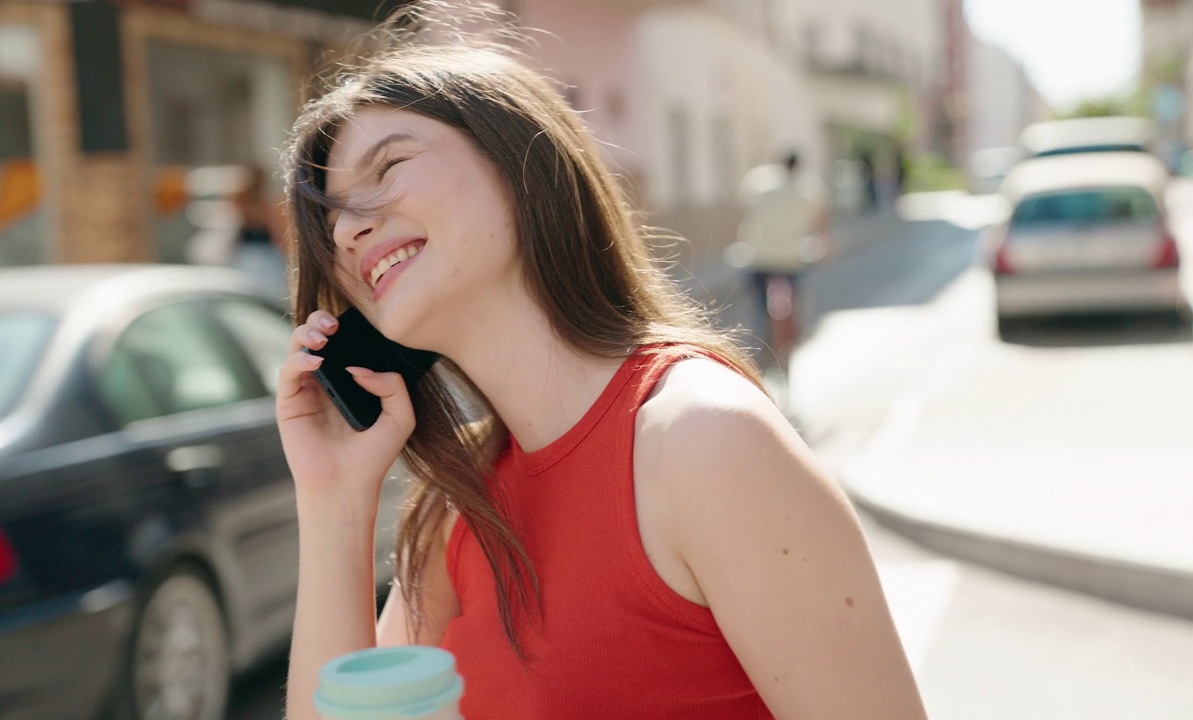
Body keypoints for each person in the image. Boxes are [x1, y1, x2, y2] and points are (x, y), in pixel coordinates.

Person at [276, 4, 926, 719]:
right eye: (331, 216)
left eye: (390, 164)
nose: (348, 228)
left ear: (524, 164)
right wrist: (335, 498)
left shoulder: (703, 444)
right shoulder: (451, 510)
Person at [734, 152, 832, 373]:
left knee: (759, 305)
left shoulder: (759, 182)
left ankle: (763, 342)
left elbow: (745, 210)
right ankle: (794, 335)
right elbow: (820, 219)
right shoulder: (806, 188)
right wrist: (824, 244)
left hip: (757, 256)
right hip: (790, 258)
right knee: (795, 298)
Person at [231, 164, 290, 300]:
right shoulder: (269, 204)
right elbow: (279, 235)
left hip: (246, 254)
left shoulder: (240, 201)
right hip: (265, 256)